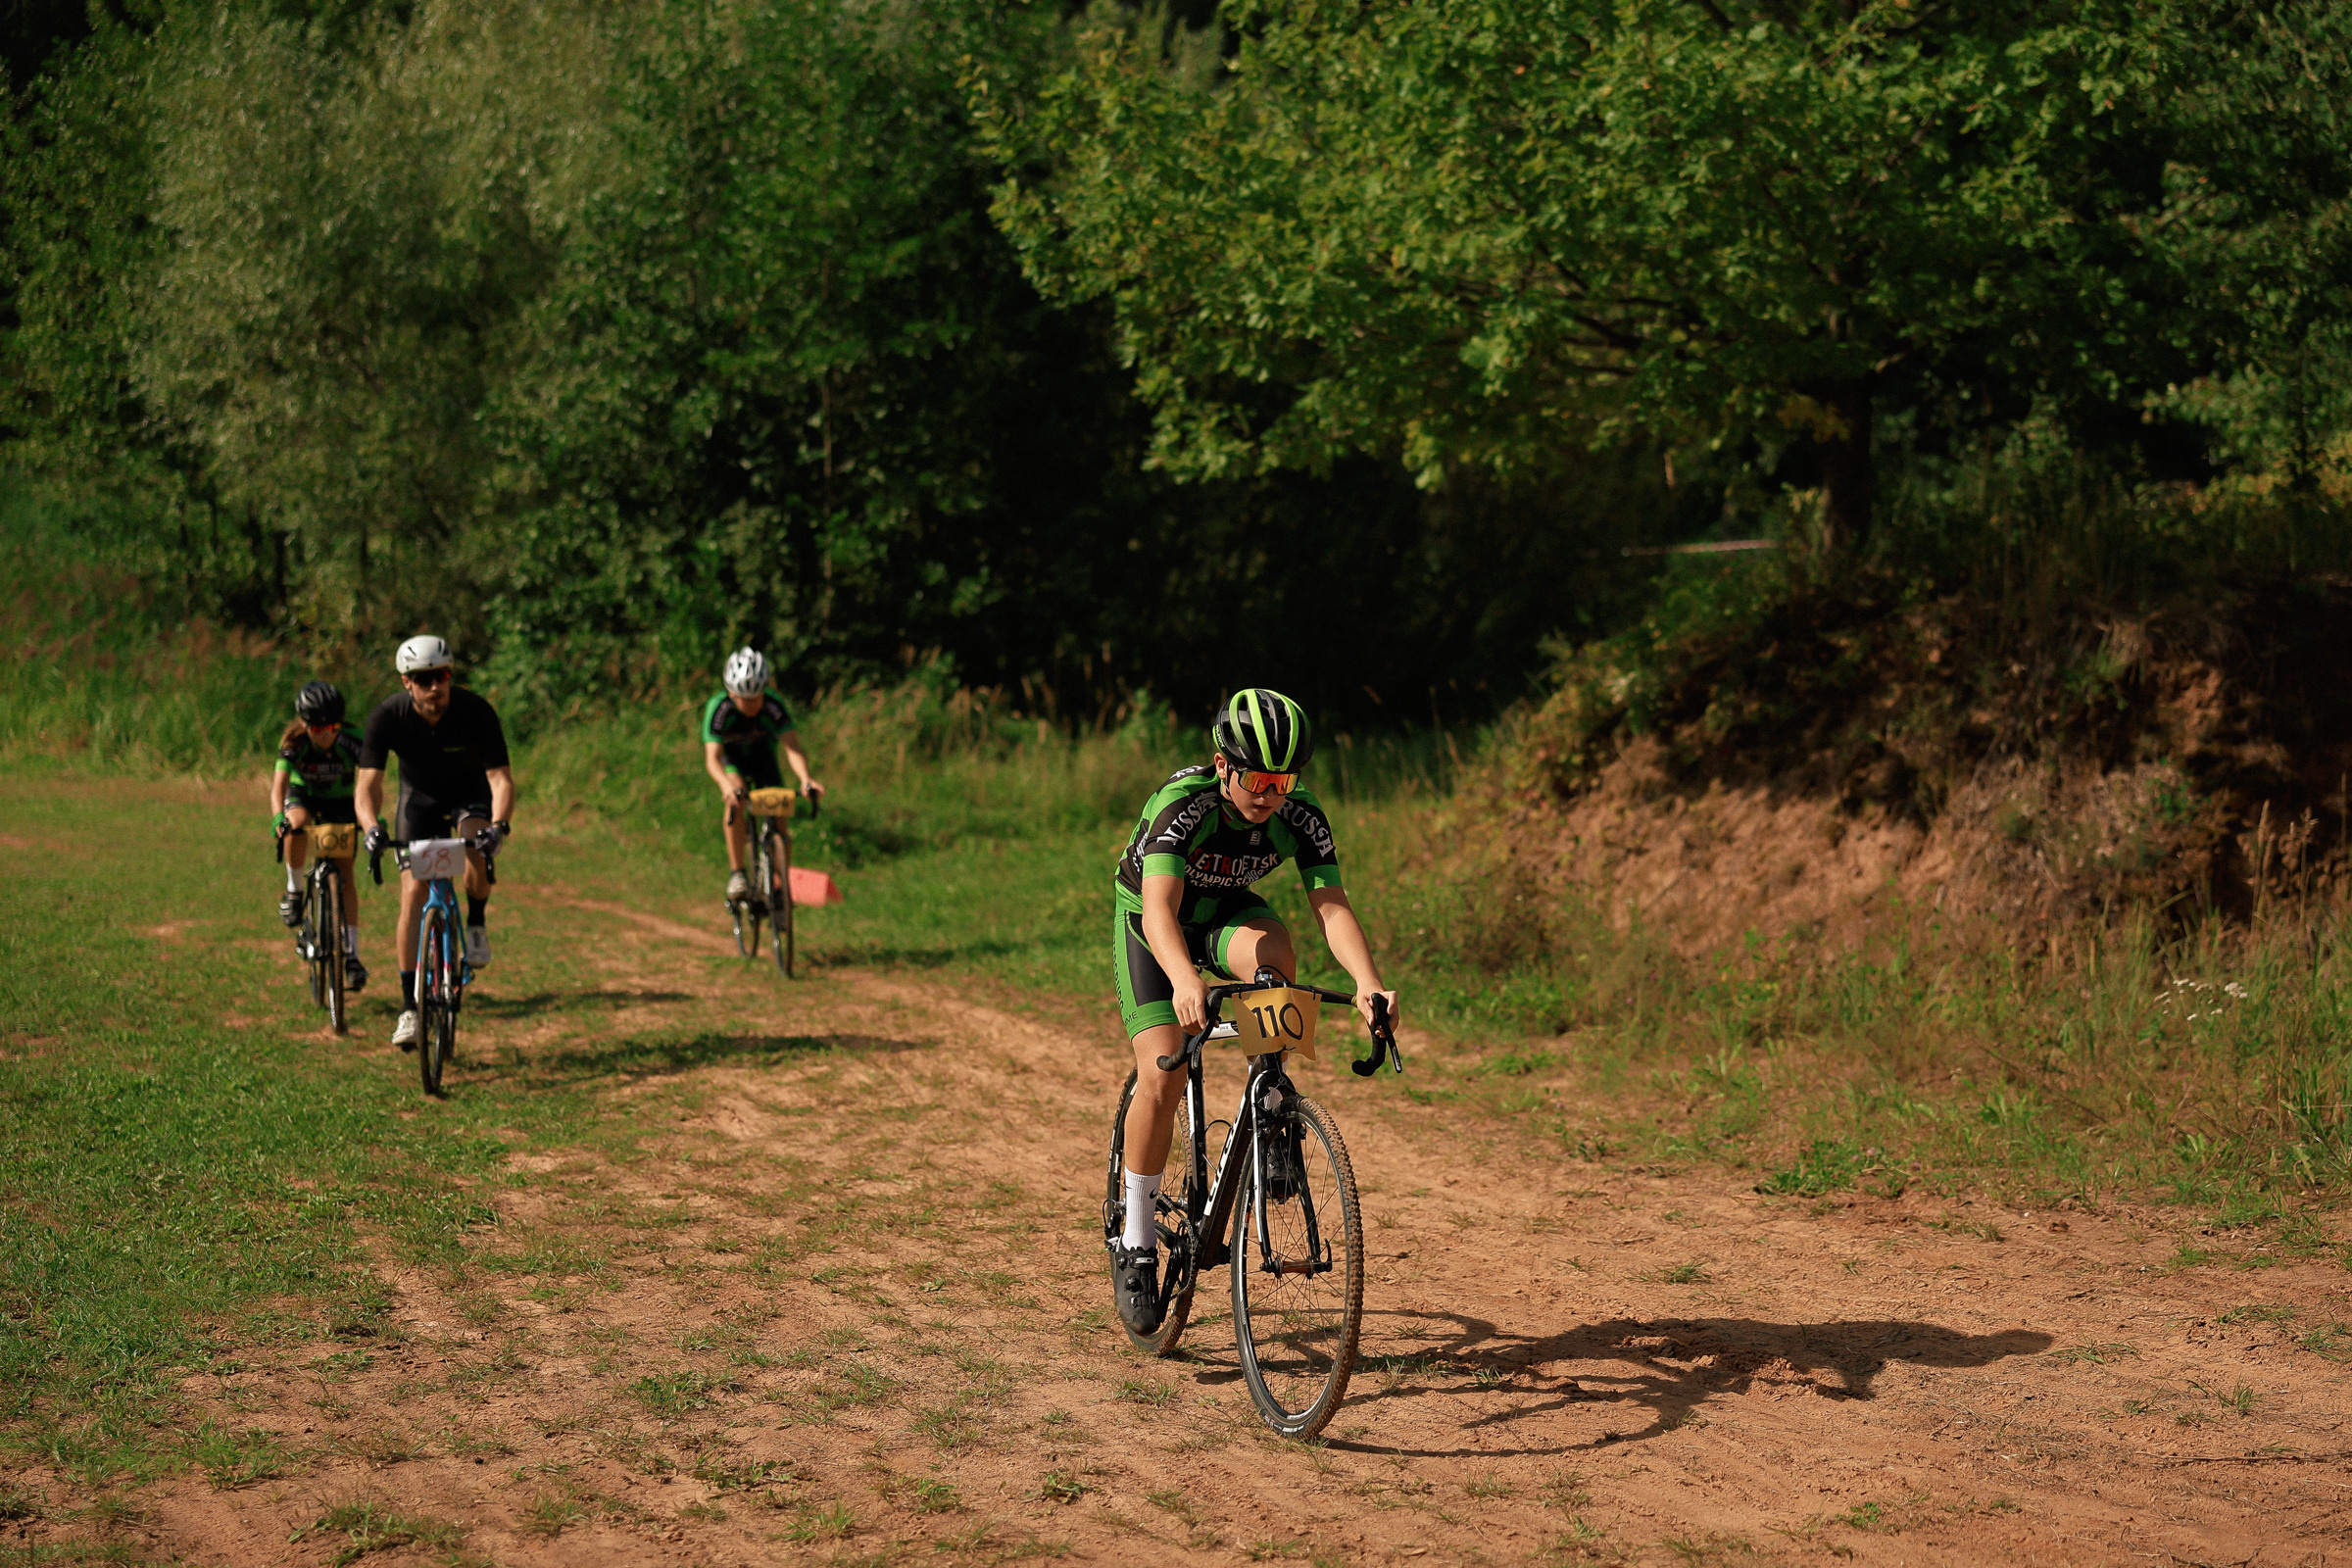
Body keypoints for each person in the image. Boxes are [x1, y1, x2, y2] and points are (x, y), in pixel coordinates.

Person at [1107, 687, 1398, 1336]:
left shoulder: (1302, 814)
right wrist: (1184, 980)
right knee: (1162, 1074)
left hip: (1223, 915)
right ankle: (1133, 1240)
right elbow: (1157, 911)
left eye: (1284, 780)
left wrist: (1368, 984)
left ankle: (1272, 1112)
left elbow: (1331, 904)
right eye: (1258, 778)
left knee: (1276, 962)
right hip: (1154, 928)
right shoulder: (1182, 804)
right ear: (1222, 766)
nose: (1270, 794)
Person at [354, 635, 515, 1052]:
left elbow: (500, 779)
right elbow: (367, 786)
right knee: (413, 891)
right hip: (419, 803)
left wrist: (499, 825)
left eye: (440, 676)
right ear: (406, 682)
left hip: (469, 797)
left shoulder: (475, 710)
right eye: (423, 679)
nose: (433, 687)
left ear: (450, 676)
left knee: (476, 848)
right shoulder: (388, 716)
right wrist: (371, 826)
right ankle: (409, 1007)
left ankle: (475, 920)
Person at [700, 647, 824, 903]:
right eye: (746, 699)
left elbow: (792, 746)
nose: (753, 704)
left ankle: (779, 882)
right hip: (732, 761)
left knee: (781, 815)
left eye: (757, 697)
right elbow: (712, 758)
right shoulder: (719, 709)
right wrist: (725, 785)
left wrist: (805, 779)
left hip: (763, 760)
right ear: (732, 693)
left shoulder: (773, 706)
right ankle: (738, 874)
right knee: (737, 798)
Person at [270, 680, 368, 992]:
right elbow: (279, 787)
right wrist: (277, 818)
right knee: (295, 825)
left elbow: (370, 783)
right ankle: (294, 890)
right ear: (305, 724)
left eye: (333, 726)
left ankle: (351, 952)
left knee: (347, 874)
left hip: (342, 801)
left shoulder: (354, 740)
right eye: (317, 728)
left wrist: (373, 817)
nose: (326, 734)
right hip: (305, 796)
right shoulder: (294, 741)